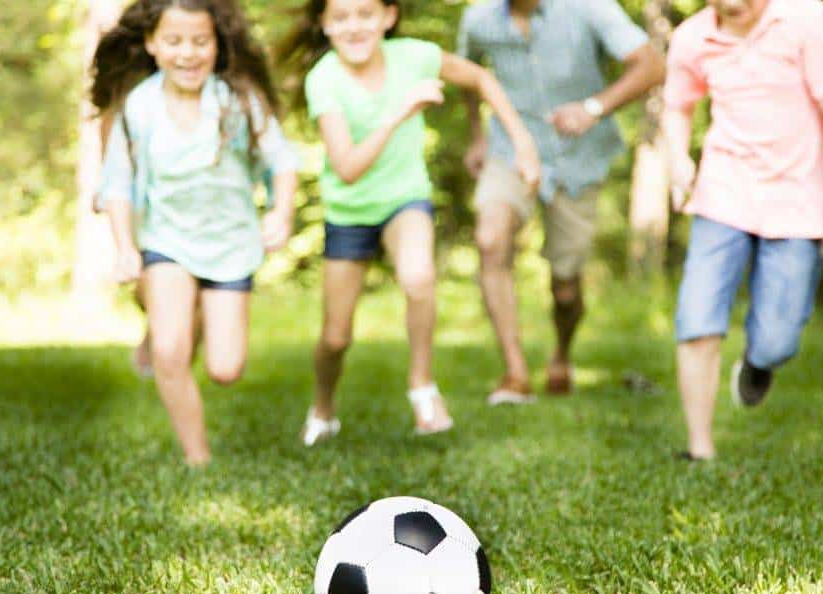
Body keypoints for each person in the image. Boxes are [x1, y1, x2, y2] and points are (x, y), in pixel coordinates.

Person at [277, 0, 541, 446]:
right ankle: (323, 405)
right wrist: (400, 111)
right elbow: (347, 168)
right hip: (350, 210)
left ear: (388, 17)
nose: (354, 26)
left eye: (365, 14)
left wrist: (523, 143)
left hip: (405, 198)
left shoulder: (414, 56)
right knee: (336, 337)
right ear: (323, 25)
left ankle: (422, 386)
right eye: (340, 18)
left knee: (419, 278)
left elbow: (479, 77)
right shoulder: (324, 78)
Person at [663, 0, 823, 461]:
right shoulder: (692, 38)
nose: (733, 9)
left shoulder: (807, 20)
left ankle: (759, 363)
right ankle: (700, 450)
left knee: (779, 338)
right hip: (723, 190)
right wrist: (678, 159)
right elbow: (676, 107)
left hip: (799, 198)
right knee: (697, 317)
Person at [93, 0, 300, 466]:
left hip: (231, 247)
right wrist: (125, 247)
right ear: (151, 45)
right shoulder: (139, 106)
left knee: (225, 369)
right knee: (171, 351)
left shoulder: (238, 100)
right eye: (174, 41)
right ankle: (197, 458)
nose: (188, 53)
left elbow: (282, 161)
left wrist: (281, 213)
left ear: (217, 44)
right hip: (168, 242)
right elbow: (117, 184)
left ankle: (182, 317)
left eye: (199, 41)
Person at [457, 0, 665, 404]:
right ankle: (515, 374)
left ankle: (561, 353)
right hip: (511, 150)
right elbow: (469, 75)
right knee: (490, 239)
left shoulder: (589, 8)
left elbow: (652, 65)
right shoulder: (478, 18)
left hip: (578, 156)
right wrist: (476, 136)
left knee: (566, 286)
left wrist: (594, 108)